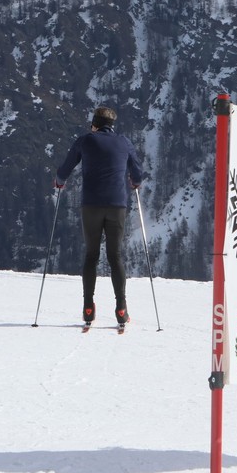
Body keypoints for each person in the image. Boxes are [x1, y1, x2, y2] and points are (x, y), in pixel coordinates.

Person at [54, 106, 144, 326]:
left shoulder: (85, 141)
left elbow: (64, 169)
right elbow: (138, 173)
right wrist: (135, 182)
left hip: (91, 205)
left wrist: (60, 182)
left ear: (94, 124)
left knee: (91, 255)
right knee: (115, 257)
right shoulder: (124, 142)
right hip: (117, 206)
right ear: (111, 125)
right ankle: (121, 309)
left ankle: (87, 308)